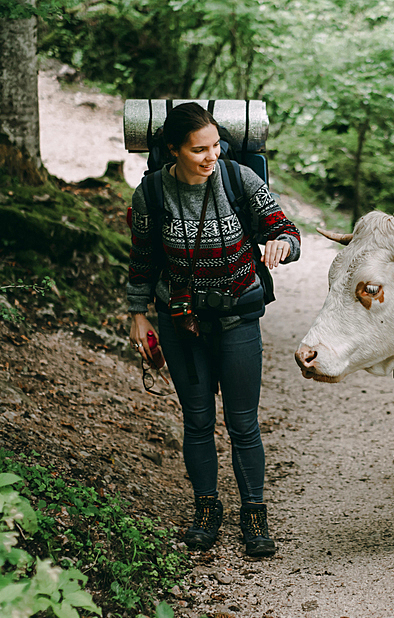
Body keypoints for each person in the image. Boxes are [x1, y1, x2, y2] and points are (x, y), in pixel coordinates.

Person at [126, 102, 300, 557]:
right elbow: (142, 257)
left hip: (239, 315)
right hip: (180, 321)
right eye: (199, 150)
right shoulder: (151, 194)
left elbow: (287, 230)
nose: (211, 157)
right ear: (173, 151)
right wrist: (138, 315)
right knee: (198, 420)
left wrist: (281, 244)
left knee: (243, 423)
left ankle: (254, 513)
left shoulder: (239, 179)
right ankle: (206, 509)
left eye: (217, 146)